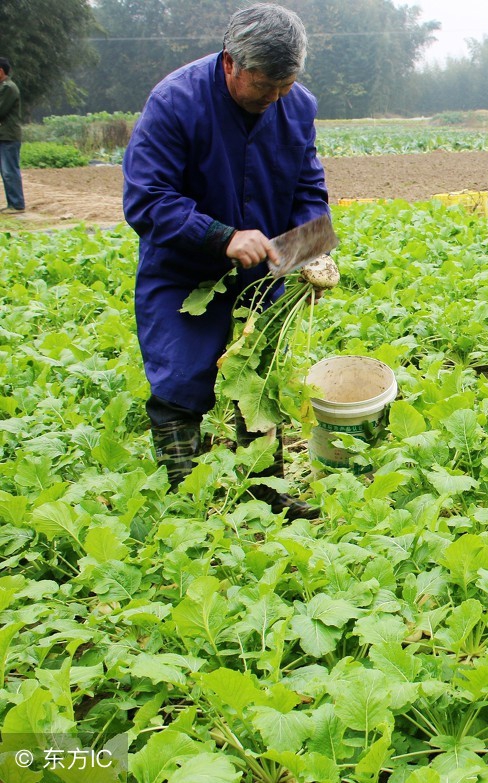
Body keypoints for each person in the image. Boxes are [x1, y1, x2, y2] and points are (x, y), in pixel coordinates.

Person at [123, 3, 329, 519]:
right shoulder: (175, 102)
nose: (274, 98)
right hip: (184, 269)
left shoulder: (298, 106)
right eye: (264, 86)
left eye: (285, 86)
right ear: (231, 63)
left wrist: (309, 253)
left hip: (263, 272)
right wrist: (221, 237)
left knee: (258, 381)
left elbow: (308, 188)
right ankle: (186, 505)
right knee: (180, 378)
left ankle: (265, 494)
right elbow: (147, 199)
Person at [0, 57, 25, 214]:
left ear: (1, 71)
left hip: (8, 136)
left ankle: (17, 204)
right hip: (3, 135)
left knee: (9, 171)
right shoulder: (3, 87)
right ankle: (12, 203)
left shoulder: (8, 88)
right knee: (5, 172)